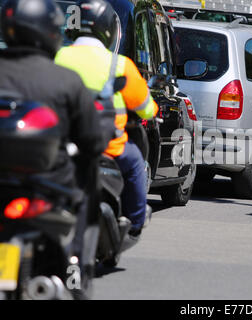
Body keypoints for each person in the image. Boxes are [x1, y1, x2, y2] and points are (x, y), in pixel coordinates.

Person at [0, 0, 106, 287]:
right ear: (50, 31)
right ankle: (77, 269)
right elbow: (93, 143)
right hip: (48, 188)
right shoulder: (66, 81)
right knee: (91, 173)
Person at [55, 0, 159, 239]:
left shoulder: (57, 56)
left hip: (61, 144)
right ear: (109, 30)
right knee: (135, 164)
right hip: (109, 148)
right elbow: (146, 109)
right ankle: (135, 221)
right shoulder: (120, 64)